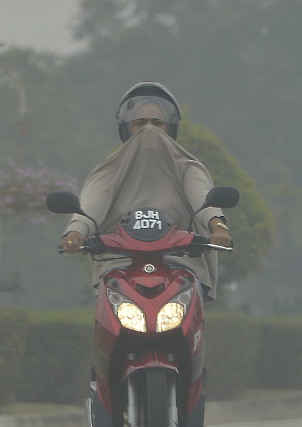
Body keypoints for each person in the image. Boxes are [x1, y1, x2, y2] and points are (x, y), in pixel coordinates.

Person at [60, 81, 233, 300]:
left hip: (179, 264)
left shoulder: (186, 166)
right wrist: (76, 232)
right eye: (140, 123)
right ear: (126, 128)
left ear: (170, 128)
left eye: (157, 123)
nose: (149, 130)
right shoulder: (111, 169)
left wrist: (218, 227)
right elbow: (92, 202)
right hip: (120, 265)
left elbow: (203, 197)